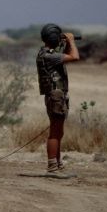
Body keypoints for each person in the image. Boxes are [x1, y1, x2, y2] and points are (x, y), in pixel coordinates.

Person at [36, 24, 79, 176]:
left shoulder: (46, 53)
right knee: (55, 132)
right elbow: (74, 57)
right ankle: (52, 166)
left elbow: (65, 57)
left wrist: (66, 43)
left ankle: (57, 164)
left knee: (58, 131)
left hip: (56, 96)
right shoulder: (50, 56)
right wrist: (72, 41)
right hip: (56, 96)